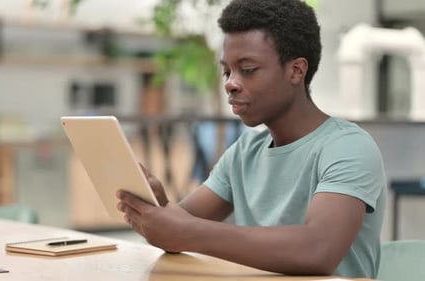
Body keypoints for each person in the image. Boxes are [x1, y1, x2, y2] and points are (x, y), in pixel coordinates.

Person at [116, 0, 386, 278]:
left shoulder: (348, 147)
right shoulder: (246, 150)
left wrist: (182, 229)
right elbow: (184, 225)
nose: (230, 83)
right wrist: (158, 207)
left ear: (296, 71)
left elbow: (317, 251)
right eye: (227, 71)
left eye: (248, 69)